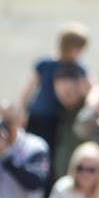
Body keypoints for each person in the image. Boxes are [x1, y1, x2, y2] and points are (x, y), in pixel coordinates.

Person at [20, 23, 90, 167]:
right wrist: (22, 112)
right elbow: (29, 89)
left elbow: (88, 87)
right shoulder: (46, 63)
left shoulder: (78, 67)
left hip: (61, 119)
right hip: (40, 115)